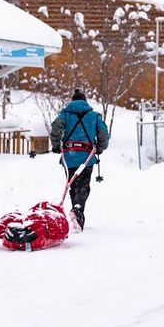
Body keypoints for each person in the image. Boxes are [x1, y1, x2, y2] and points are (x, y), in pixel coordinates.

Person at [50, 89, 109, 232]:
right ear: (85, 101)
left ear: (72, 100)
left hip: (69, 157)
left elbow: (55, 128)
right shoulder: (94, 116)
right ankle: (77, 210)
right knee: (83, 186)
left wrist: (56, 146)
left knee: (73, 186)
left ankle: (77, 214)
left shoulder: (65, 114)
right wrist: (100, 148)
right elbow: (104, 134)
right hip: (86, 157)